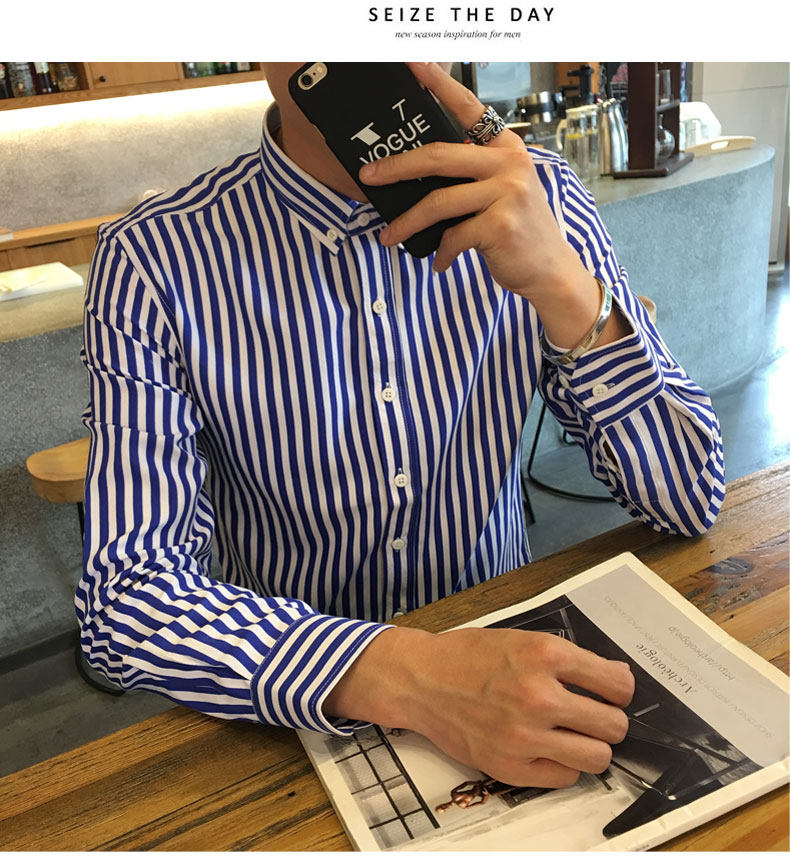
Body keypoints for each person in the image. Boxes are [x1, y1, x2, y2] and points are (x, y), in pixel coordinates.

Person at [77, 62, 724, 790]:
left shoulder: (538, 195)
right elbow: (125, 597)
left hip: (518, 665)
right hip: (294, 715)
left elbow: (689, 496)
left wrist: (564, 286)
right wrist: (412, 674)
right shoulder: (153, 255)